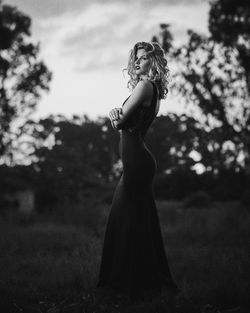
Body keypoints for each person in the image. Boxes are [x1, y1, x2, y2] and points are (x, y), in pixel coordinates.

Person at [95, 41, 180, 308]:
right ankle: (138, 282)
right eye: (136, 58)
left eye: (143, 58)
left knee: (126, 218)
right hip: (138, 161)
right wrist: (117, 116)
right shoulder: (152, 90)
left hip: (137, 162)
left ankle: (130, 285)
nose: (137, 62)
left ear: (153, 61)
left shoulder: (144, 87)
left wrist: (112, 113)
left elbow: (120, 122)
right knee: (134, 219)